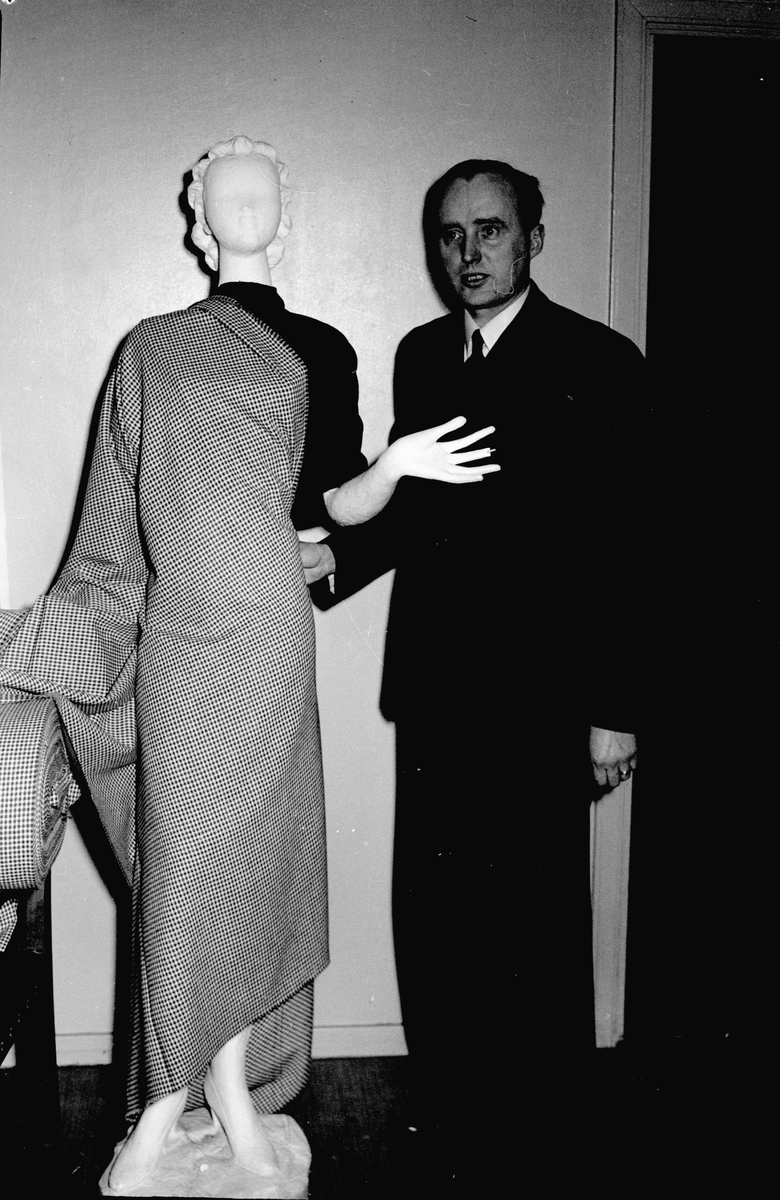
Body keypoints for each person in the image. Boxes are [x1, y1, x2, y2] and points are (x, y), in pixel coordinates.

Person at [0, 137, 499, 1194]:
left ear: (286, 209)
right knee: (186, 882)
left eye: (259, 192)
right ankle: (166, 1119)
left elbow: (332, 504)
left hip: (270, 640)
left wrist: (396, 465)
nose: (241, 206)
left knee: (250, 884)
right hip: (181, 645)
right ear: (197, 219)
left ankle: (223, 1102)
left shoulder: (320, 348)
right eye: (224, 194)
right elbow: (115, 516)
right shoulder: (149, 350)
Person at [301, 159, 649, 1184]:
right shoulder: (422, 355)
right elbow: (419, 509)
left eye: (489, 231)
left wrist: (616, 706)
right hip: (436, 689)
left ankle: (544, 1151)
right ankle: (452, 1131)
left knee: (534, 934)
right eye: (450, 236)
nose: (468, 254)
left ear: (533, 238)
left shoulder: (601, 360)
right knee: (437, 921)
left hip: (542, 699)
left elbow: (631, 546)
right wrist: (332, 558)